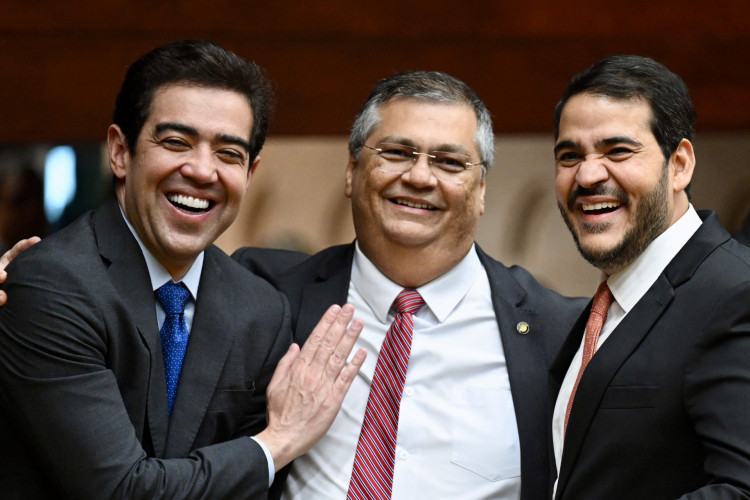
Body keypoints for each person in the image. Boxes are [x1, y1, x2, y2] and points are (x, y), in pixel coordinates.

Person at [0, 40, 366, 499]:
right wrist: (276, 443)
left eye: (229, 154)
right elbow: (121, 490)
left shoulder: (260, 310)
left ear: (250, 174)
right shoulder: (51, 285)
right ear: (119, 152)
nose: (201, 170)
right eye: (176, 142)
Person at [235, 71, 586, 499]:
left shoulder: (560, 333)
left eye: (449, 162)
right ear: (351, 171)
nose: (420, 177)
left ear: (480, 191)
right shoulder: (266, 295)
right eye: (397, 152)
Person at [550, 54, 750, 498]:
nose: (587, 175)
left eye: (617, 150)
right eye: (569, 156)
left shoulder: (736, 295)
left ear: (678, 165)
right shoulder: (604, 309)